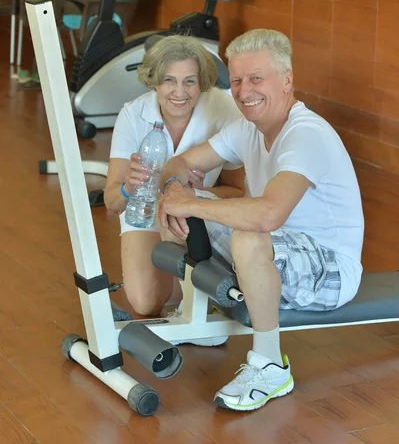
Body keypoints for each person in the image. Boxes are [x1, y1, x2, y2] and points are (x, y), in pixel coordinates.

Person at [158, 28, 364, 412]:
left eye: (257, 78)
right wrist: (173, 190)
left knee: (247, 234)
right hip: (279, 247)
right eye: (236, 80)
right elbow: (183, 162)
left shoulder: (306, 135)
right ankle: (202, 319)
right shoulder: (248, 127)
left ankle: (270, 364)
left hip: (330, 267)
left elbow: (269, 213)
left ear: (287, 80)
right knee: (176, 208)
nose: (243, 90)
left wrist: (191, 203)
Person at [104, 35, 245, 338]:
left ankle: (199, 303)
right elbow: (113, 201)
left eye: (189, 81)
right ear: (154, 82)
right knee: (145, 300)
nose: (179, 92)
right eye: (169, 80)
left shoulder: (224, 110)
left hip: (196, 213)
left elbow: (238, 192)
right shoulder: (133, 115)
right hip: (143, 212)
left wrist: (195, 195)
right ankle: (194, 292)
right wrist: (129, 186)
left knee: (177, 210)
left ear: (202, 82)